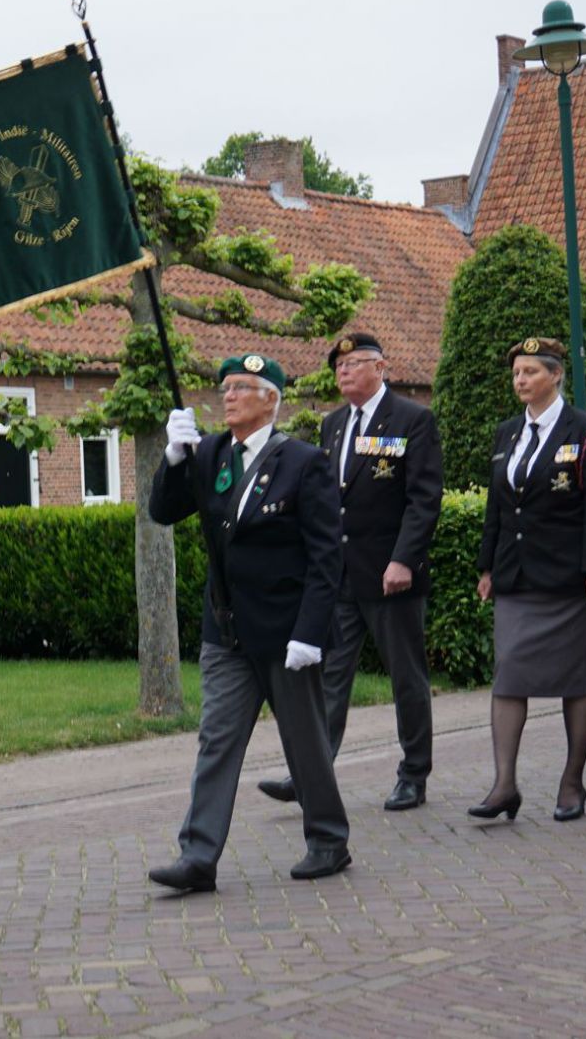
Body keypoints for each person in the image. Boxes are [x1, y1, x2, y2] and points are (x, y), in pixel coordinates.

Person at [148, 354, 350, 891]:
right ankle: (198, 856)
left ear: (271, 400)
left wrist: (310, 633)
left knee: (304, 742)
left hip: (287, 633)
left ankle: (329, 839)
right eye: (226, 386)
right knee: (217, 739)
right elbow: (164, 511)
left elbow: (327, 557)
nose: (228, 395)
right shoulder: (210, 452)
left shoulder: (304, 462)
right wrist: (173, 457)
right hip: (228, 631)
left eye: (242, 387)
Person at [256, 333, 443, 811]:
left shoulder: (412, 420)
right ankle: (311, 773)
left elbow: (423, 499)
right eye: (338, 365)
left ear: (382, 367)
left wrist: (403, 559)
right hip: (340, 577)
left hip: (390, 575)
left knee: (406, 677)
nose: (343, 372)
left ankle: (413, 774)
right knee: (326, 677)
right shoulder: (334, 425)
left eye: (354, 363)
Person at [472, 337, 586, 823]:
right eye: (516, 373)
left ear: (556, 375)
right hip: (517, 576)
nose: (520, 380)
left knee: (577, 680)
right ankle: (503, 784)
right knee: (509, 675)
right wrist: (487, 565)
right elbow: (497, 505)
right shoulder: (507, 433)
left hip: (570, 580)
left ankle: (572, 781)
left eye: (531, 372)